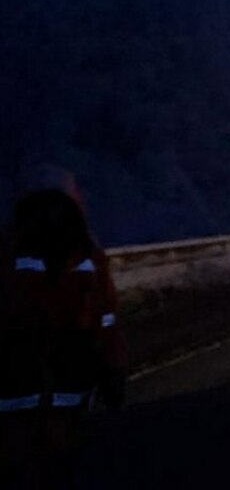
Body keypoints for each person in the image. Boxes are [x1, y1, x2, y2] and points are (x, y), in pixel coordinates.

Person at [0, 166, 127, 489]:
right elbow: (105, 316)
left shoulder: (9, 248)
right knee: (60, 458)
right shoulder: (85, 252)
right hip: (68, 371)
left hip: (15, 374)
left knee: (22, 459)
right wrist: (113, 369)